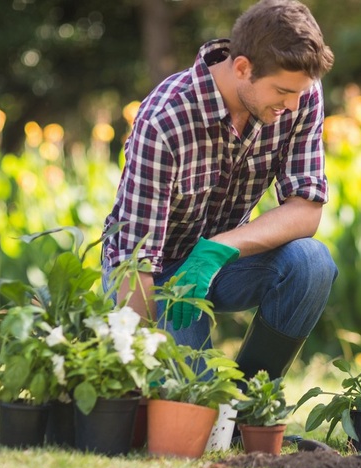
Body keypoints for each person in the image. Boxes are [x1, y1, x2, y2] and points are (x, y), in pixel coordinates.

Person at [101, 0, 337, 383]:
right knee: (194, 404)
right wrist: (136, 362)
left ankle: (249, 404)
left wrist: (218, 248)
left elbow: (306, 209)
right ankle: (210, 405)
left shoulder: (300, 94)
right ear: (242, 68)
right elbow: (135, 262)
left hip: (223, 262)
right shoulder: (165, 121)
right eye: (282, 91)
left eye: (299, 92)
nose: (293, 104)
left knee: (312, 263)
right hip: (154, 274)